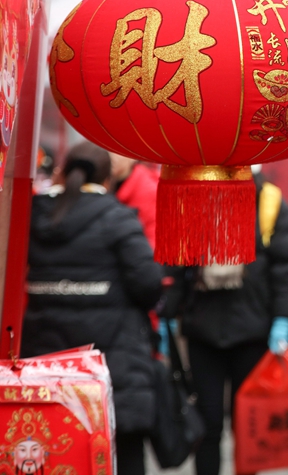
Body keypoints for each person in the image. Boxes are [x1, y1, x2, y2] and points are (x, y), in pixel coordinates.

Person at [22, 142, 163, 475]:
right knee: (125, 455)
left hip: (47, 361)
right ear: (107, 176)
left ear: (64, 170)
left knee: (58, 453)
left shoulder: (35, 214)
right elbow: (149, 284)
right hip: (113, 366)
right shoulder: (117, 217)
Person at [161, 173, 288, 475]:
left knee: (248, 425)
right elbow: (177, 261)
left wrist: (283, 319)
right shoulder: (196, 196)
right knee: (207, 424)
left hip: (254, 333)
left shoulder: (269, 201)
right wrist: (166, 316)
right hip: (203, 332)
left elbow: (286, 269)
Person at [110, 153, 159, 248]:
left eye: (118, 152)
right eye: (108, 150)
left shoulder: (148, 191)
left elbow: (152, 243)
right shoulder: (103, 183)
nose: (112, 156)